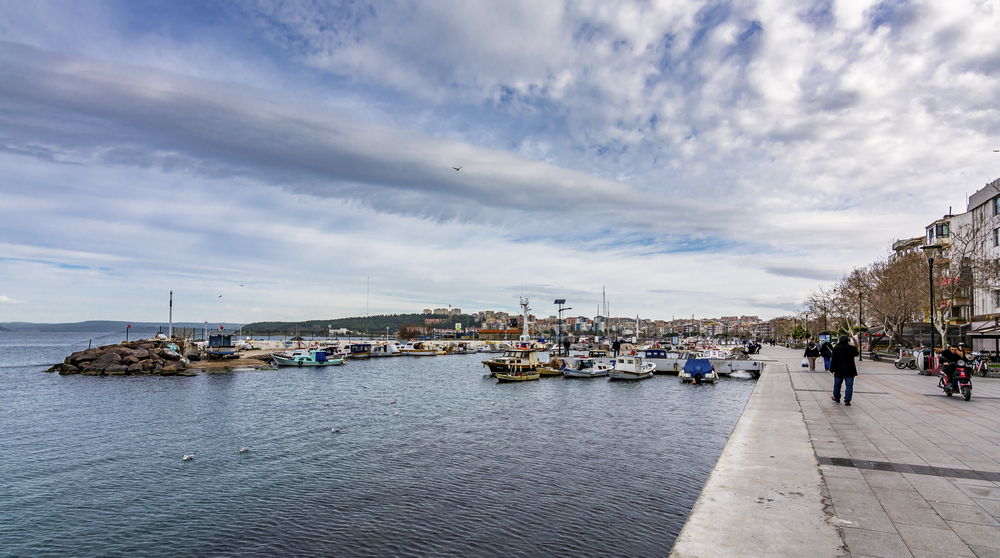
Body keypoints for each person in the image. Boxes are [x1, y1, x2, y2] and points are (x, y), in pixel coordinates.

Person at [830, 335, 859, 405]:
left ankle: (836, 397)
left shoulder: (836, 348)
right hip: (850, 370)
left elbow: (833, 359)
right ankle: (847, 400)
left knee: (837, 385)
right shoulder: (852, 348)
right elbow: (856, 353)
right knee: (849, 385)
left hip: (839, 370)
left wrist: (832, 369)